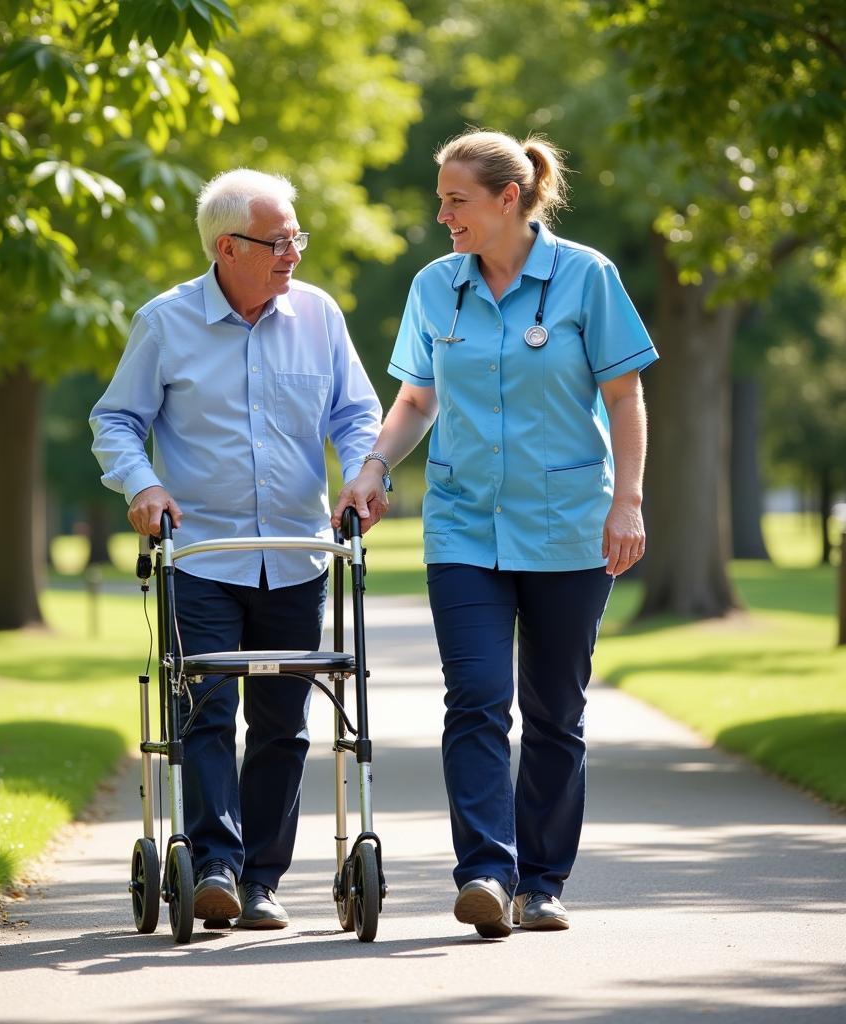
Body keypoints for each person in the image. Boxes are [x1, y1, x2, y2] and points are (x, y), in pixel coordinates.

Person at [334, 129, 658, 938]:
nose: (443, 214)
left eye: (456, 200)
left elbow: (623, 398)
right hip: (463, 526)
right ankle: (485, 871)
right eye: (442, 199)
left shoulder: (587, 276)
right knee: (476, 699)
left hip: (567, 528)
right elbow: (415, 399)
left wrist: (629, 502)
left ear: (508, 198)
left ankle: (542, 882)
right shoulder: (435, 287)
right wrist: (374, 465)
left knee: (555, 710)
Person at [91, 169, 382, 930]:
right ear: (228, 248)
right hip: (202, 558)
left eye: (297, 238)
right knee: (207, 713)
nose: (294, 252)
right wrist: (142, 487)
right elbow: (116, 419)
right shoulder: (165, 321)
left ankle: (262, 881)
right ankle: (215, 864)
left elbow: (356, 413)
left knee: (284, 724)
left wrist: (361, 475)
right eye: (279, 241)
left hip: (295, 555)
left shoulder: (320, 317)